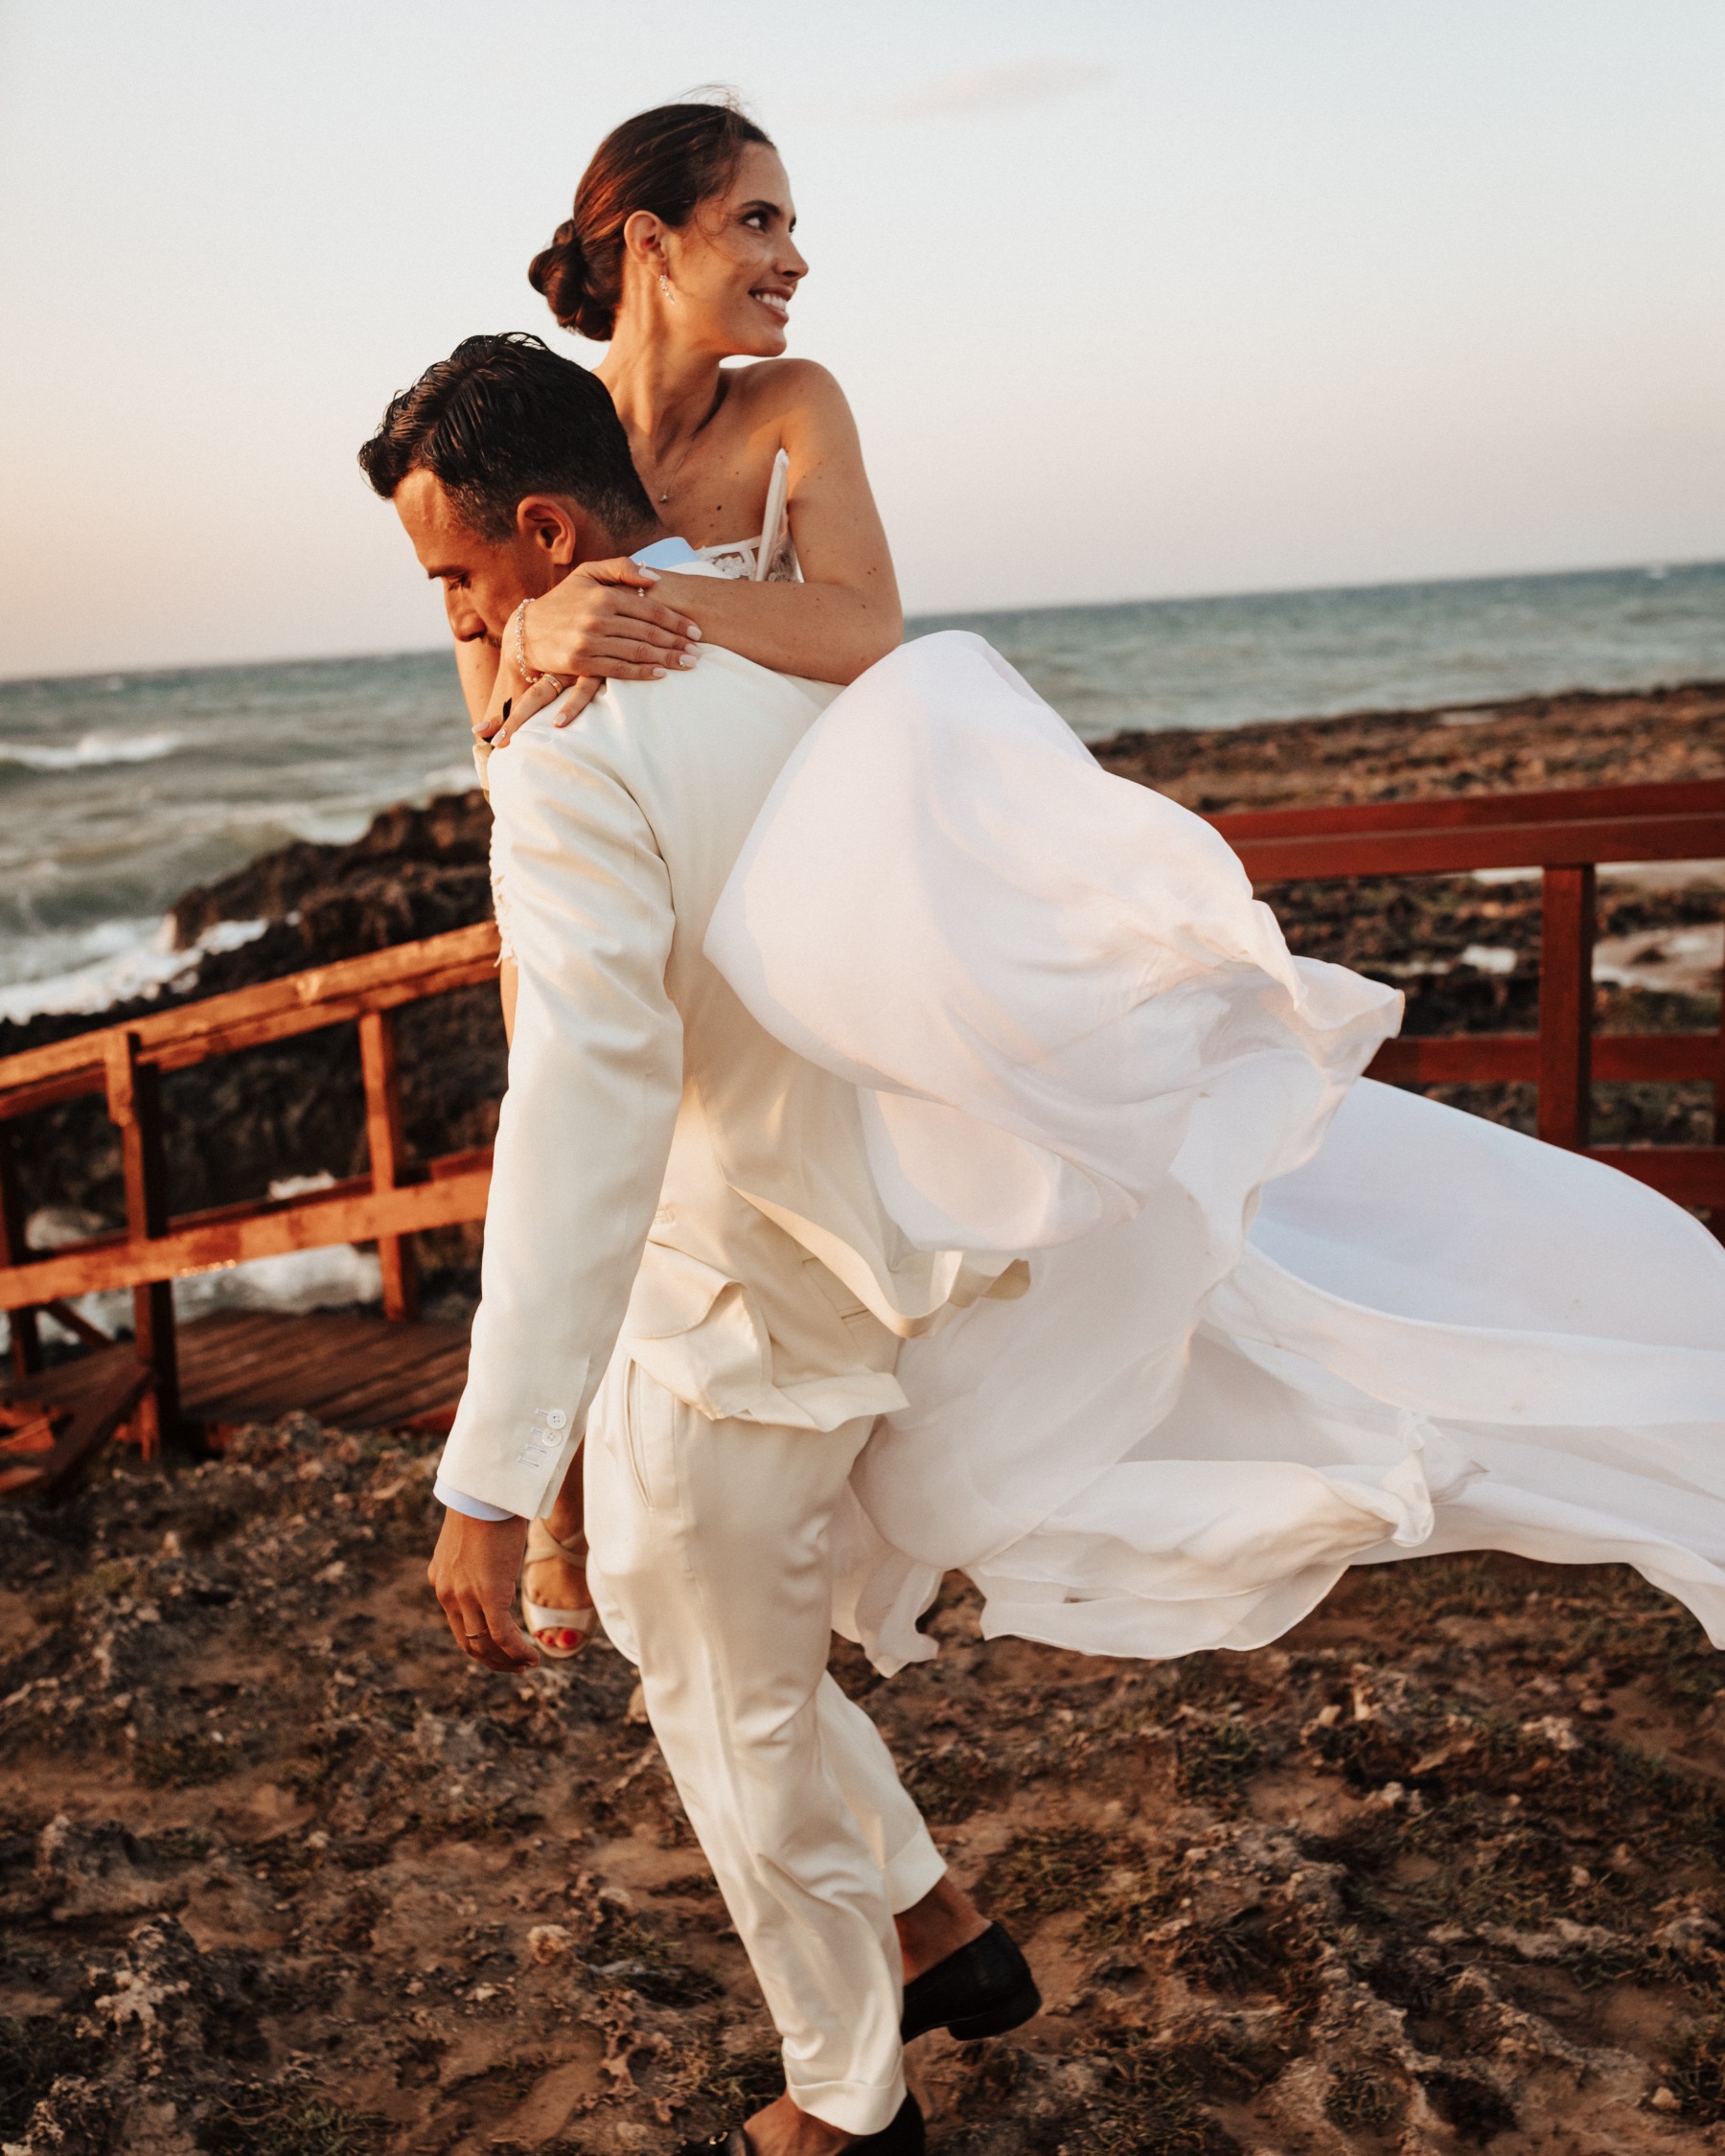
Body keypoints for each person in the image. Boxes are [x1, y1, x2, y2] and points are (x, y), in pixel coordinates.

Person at [359, 333, 1040, 2156]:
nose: (454, 617)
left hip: (741, 1281)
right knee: (689, 1626)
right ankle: (937, 1927)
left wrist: (492, 1472)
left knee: (727, 1704)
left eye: (454, 576)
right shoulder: (796, 669)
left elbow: (582, 1108)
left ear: (548, 531)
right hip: (860, 1213)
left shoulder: (569, 752)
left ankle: (847, 2094)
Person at [453, 98, 904, 1654]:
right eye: (759, 221)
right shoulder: (535, 440)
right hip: (595, 886)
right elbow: (498, 731)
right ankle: (562, 1498)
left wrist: (634, 592)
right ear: (651, 239)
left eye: (786, 222)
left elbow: (860, 631)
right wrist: (522, 627)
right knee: (582, 1160)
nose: (793, 256)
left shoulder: (795, 406)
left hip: (771, 900)